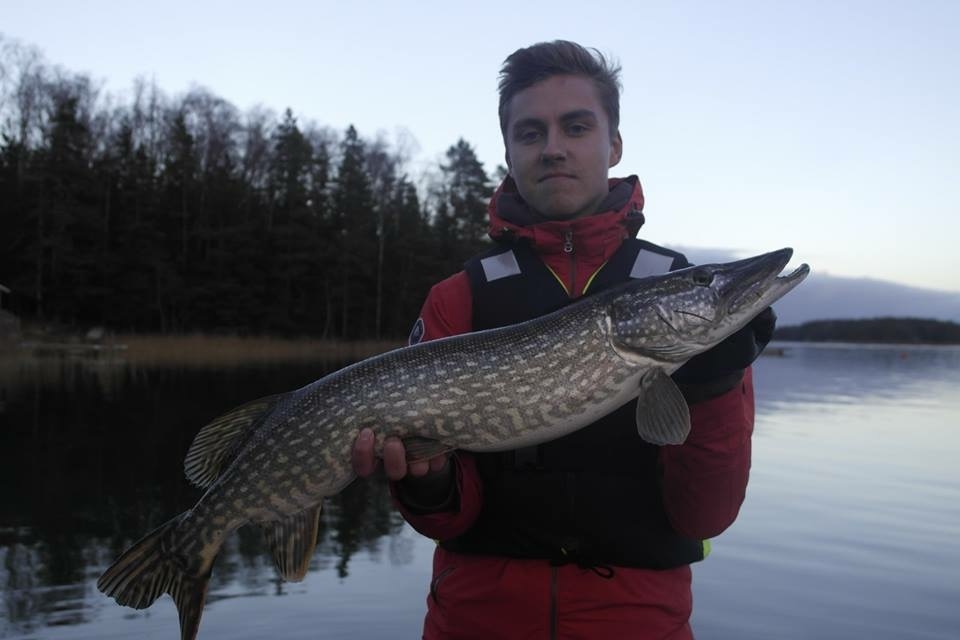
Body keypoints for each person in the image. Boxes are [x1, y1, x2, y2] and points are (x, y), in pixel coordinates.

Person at [352, 40, 775, 639]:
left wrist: (715, 385)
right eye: (531, 133)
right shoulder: (458, 298)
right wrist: (428, 482)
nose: (553, 148)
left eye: (576, 127)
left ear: (614, 144)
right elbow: (445, 520)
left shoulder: (674, 289)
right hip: (476, 622)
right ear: (508, 152)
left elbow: (706, 514)